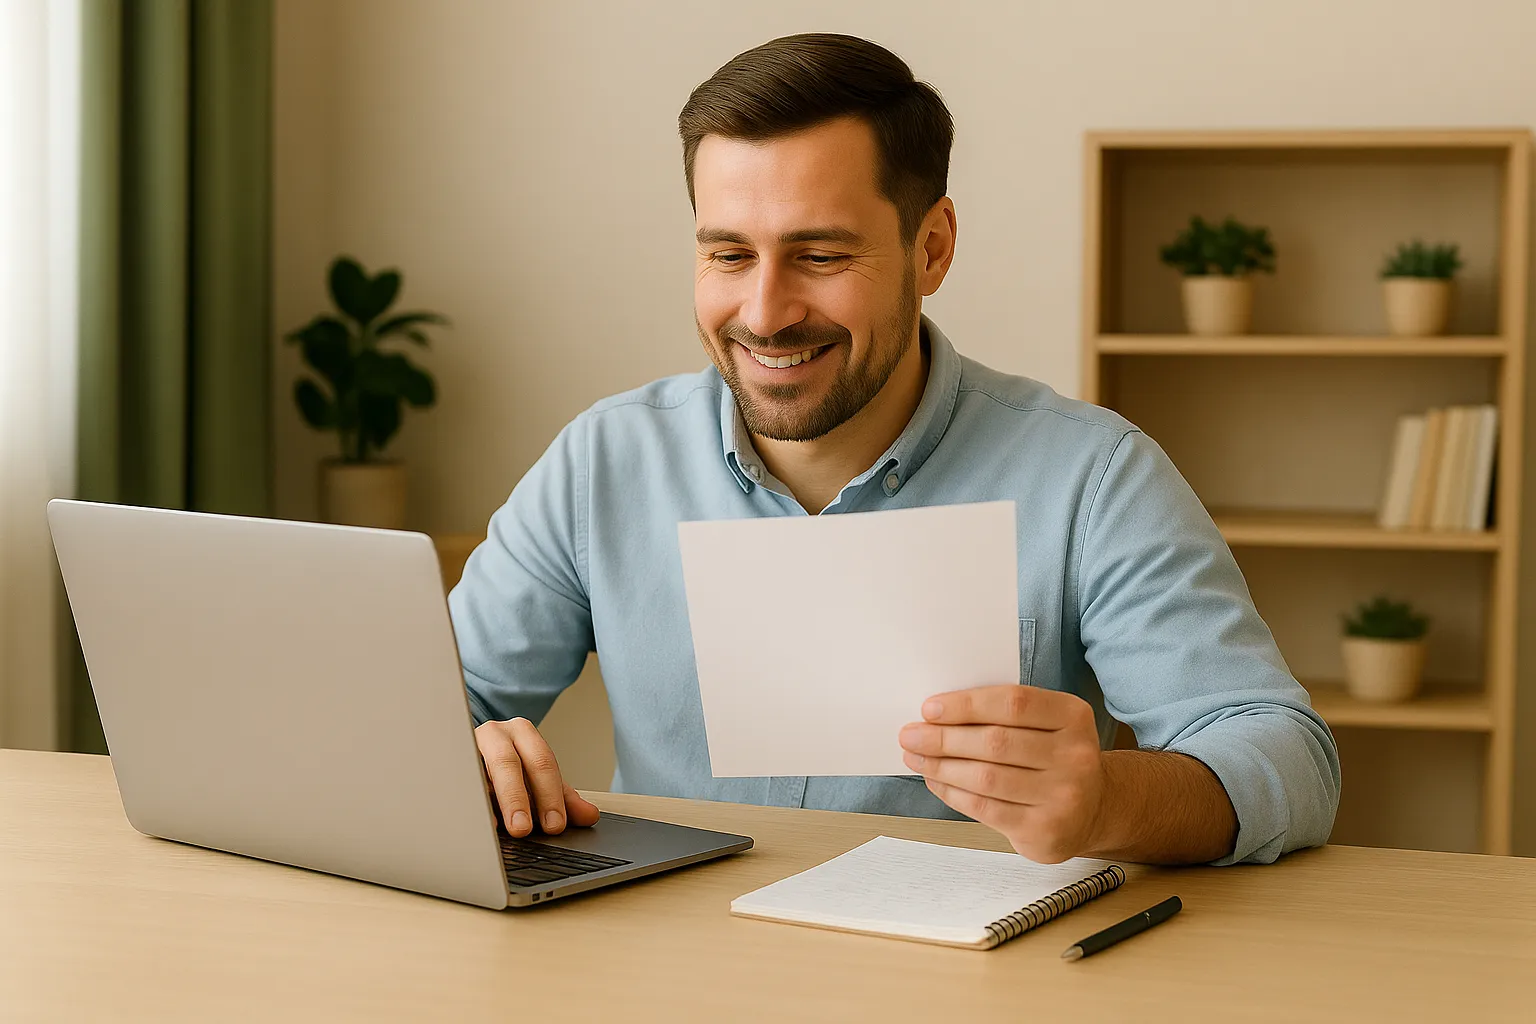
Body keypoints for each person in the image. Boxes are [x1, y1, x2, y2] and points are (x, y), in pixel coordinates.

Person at [450, 33, 1340, 866]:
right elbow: (426, 704)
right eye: (729, 253)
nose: (764, 313)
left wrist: (1110, 800)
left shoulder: (1092, 477)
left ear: (933, 248)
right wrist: (465, 746)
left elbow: (1284, 753)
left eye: (821, 255)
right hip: (677, 961)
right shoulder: (604, 462)